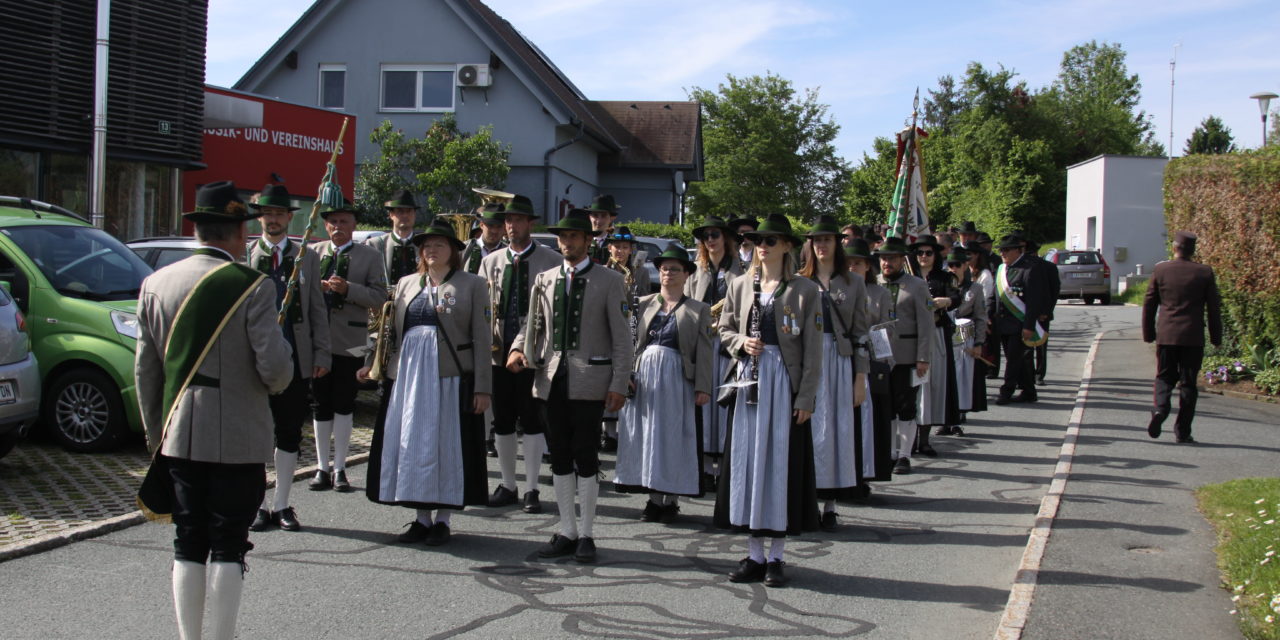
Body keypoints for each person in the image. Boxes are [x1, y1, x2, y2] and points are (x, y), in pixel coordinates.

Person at [135, 181, 294, 640]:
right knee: (228, 542)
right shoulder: (252, 286)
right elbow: (275, 369)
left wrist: (155, 435)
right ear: (236, 233)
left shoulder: (155, 283)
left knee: (188, 539)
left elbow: (146, 373)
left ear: (201, 229)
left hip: (179, 431)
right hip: (239, 434)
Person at [509, 208, 632, 563]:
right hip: (549, 379)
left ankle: (588, 534)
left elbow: (622, 339)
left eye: (574, 236)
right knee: (559, 455)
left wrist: (620, 383)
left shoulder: (610, 281)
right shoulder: (545, 278)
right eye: (562, 237)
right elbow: (533, 325)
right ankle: (566, 529)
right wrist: (518, 349)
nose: (566, 242)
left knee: (586, 455)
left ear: (588, 241)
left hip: (591, 381)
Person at [359, 219, 492, 546]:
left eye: (439, 245)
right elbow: (388, 330)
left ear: (453, 251)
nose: (431, 250)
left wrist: (482, 387)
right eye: (427, 245)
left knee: (446, 444)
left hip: (450, 377)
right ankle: (420, 517)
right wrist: (370, 364)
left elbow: (482, 337)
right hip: (409, 378)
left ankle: (443, 519)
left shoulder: (472, 284)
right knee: (413, 442)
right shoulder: (406, 283)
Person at [714, 213, 821, 588]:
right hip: (749, 382)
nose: (763, 247)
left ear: (787, 246)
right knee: (748, 463)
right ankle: (753, 553)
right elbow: (724, 328)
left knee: (779, 463)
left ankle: (776, 556)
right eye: (758, 241)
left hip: (783, 383)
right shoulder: (740, 284)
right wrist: (741, 343)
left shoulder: (805, 290)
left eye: (771, 241)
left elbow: (812, 351)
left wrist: (806, 397)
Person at [246, 184, 332, 533]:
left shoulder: (306, 256)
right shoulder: (248, 255)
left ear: (289, 217)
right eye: (268, 214)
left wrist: (322, 351)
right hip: (255, 358)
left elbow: (316, 308)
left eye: (280, 214)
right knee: (255, 434)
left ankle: (282, 503)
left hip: (295, 356)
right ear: (261, 217)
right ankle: (258, 504)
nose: (274, 219)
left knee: (289, 431)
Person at [614, 248, 712, 522]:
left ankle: (672, 499)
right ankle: (653, 499)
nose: (668, 273)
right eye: (665, 269)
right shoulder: (643, 302)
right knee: (647, 435)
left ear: (686, 275)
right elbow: (631, 341)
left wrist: (703, 385)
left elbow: (704, 351)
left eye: (675, 269)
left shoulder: (698, 309)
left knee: (674, 437)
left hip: (678, 378)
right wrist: (626, 374)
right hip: (645, 376)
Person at [478, 195, 561, 513]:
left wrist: (525, 347)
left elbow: (549, 312)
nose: (510, 227)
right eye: (506, 221)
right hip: (497, 353)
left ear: (530, 223)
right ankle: (508, 484)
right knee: (502, 420)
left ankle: (532, 489)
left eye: (517, 220)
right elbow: (486, 308)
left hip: (533, 353)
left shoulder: (550, 259)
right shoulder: (491, 260)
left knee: (533, 420)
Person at [310, 200, 388, 492]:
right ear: (325, 226)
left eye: (344, 222)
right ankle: (321, 467)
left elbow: (380, 297)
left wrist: (349, 289)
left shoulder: (369, 255)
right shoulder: (313, 253)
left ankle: (340, 468)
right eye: (332, 223)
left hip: (350, 342)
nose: (338, 228)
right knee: (320, 404)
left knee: (344, 404)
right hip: (318, 342)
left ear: (353, 225)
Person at [798, 214, 868, 530]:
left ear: (837, 244)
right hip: (806, 360)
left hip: (839, 360)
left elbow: (861, 334)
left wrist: (860, 378)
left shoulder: (853, 283)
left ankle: (830, 504)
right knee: (808, 429)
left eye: (827, 239)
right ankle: (805, 499)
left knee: (836, 431)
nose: (821, 245)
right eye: (816, 240)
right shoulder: (799, 281)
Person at [1142, 231, 1222, 443]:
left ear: (1174, 247)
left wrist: (1149, 333)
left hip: (1167, 335)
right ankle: (1183, 431)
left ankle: (1160, 409)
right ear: (1193, 250)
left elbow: (1149, 303)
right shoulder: (1204, 272)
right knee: (1188, 384)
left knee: (1164, 377)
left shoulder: (1161, 270)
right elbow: (1214, 308)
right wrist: (1216, 336)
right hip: (1193, 336)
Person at [685, 216, 744, 489]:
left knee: (725, 401)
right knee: (704, 401)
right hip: (702, 340)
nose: (710, 240)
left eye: (715, 235)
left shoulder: (741, 271)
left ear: (726, 238)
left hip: (728, 343)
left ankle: (726, 467)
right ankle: (707, 468)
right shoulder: (696, 270)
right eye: (706, 236)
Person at [364, 190, 421, 447]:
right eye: (399, 212)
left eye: (408, 211)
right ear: (390, 215)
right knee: (387, 385)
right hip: (385, 321)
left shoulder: (424, 244)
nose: (403, 216)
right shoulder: (375, 246)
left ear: (414, 215)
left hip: (417, 320)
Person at [876, 237, 933, 474]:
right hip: (880, 357)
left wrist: (923, 357)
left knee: (906, 405)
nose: (887, 262)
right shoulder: (873, 283)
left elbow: (926, 323)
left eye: (892, 258)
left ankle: (905, 455)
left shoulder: (917, 285)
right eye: (883, 258)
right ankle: (889, 452)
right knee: (885, 406)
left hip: (908, 356)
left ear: (902, 260)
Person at [846, 240, 894, 489]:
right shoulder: (839, 290)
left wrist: (881, 360)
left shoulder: (880, 293)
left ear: (867, 266)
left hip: (871, 359)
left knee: (868, 421)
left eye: (857, 263)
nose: (852, 267)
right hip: (843, 359)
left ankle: (865, 473)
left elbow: (887, 328)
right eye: (848, 263)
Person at [600, 225, 650, 451]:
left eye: (624, 247)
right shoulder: (601, 270)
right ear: (609, 248)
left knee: (626, 373)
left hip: (630, 325)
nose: (620, 251)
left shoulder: (640, 271)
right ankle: (606, 431)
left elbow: (646, 300)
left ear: (631, 250)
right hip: (605, 328)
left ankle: (622, 430)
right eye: (616, 247)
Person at [910, 235, 960, 455]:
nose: (923, 256)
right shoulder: (907, 278)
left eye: (928, 253)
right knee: (912, 388)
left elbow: (956, 297)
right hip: (910, 337)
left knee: (933, 387)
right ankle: (908, 439)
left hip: (936, 333)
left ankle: (924, 439)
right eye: (920, 252)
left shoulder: (944, 278)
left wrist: (946, 301)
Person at [992, 235, 1048, 405]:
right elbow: (994, 296)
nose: (1003, 253)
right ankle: (1029, 391)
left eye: (1006, 250)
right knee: (1017, 359)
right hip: (1003, 324)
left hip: (1019, 324)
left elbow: (1033, 302)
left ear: (1018, 250)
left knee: (1013, 360)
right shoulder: (1001, 269)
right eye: (1001, 250)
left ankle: (1006, 392)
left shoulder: (1029, 270)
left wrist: (1029, 325)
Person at [941, 248, 988, 436]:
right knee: (944, 378)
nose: (953, 269)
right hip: (944, 335)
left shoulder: (975, 289)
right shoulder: (942, 286)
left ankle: (958, 418)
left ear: (965, 266)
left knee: (962, 378)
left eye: (957, 265)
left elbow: (981, 317)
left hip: (964, 335)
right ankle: (943, 419)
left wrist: (979, 343)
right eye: (949, 265)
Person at [1022, 237, 1060, 386]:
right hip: (1025, 312)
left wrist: (1047, 311)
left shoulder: (1048, 267)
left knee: (1041, 345)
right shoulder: (1023, 267)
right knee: (1027, 346)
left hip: (1042, 313)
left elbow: (1053, 291)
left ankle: (1039, 374)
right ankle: (1030, 374)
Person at [461, 203, 507, 274]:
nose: (494, 231)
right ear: (481, 225)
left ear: (504, 228)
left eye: (499, 226)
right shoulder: (464, 248)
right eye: (490, 226)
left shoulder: (508, 252)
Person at [585, 194, 620, 264]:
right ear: (590, 217)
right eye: (595, 215)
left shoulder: (616, 243)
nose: (599, 221)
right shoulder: (582, 241)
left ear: (611, 218)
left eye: (603, 216)